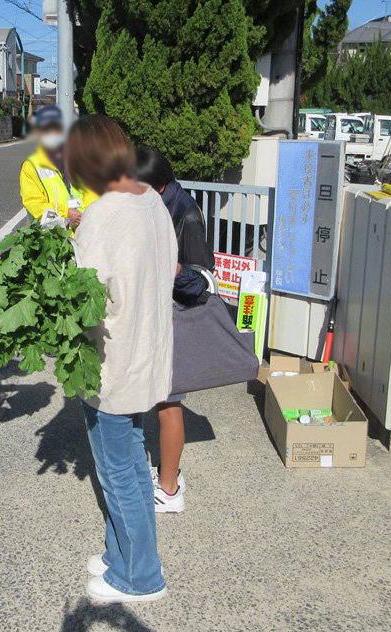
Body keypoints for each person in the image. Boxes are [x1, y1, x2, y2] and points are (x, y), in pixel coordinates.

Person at [68, 116, 177, 603]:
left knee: (120, 473)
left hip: (112, 360)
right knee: (133, 461)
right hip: (147, 352)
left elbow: (85, 295)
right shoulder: (152, 198)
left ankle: (140, 577)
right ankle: (121, 556)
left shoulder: (104, 213)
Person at [135, 147, 217, 514]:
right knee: (157, 400)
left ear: (160, 185)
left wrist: (172, 267)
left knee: (168, 404)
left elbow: (202, 280)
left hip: (174, 319)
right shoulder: (161, 204)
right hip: (158, 315)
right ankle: (166, 478)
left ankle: (169, 490)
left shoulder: (185, 212)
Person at [20, 106, 97, 230]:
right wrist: (65, 213)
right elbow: (34, 203)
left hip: (86, 229)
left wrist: (89, 213)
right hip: (56, 235)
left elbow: (92, 191)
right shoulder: (32, 166)